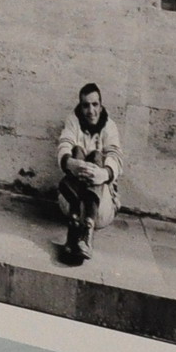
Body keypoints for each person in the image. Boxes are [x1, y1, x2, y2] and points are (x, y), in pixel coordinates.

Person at [56, 83, 122, 267]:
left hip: (100, 208)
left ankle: (86, 229)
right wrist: (71, 163)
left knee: (97, 157)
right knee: (77, 150)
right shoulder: (73, 120)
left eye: (95, 105)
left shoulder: (109, 126)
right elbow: (65, 143)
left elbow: (116, 156)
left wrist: (103, 174)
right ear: (80, 105)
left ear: (101, 105)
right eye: (86, 105)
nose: (91, 111)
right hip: (71, 203)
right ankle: (77, 228)